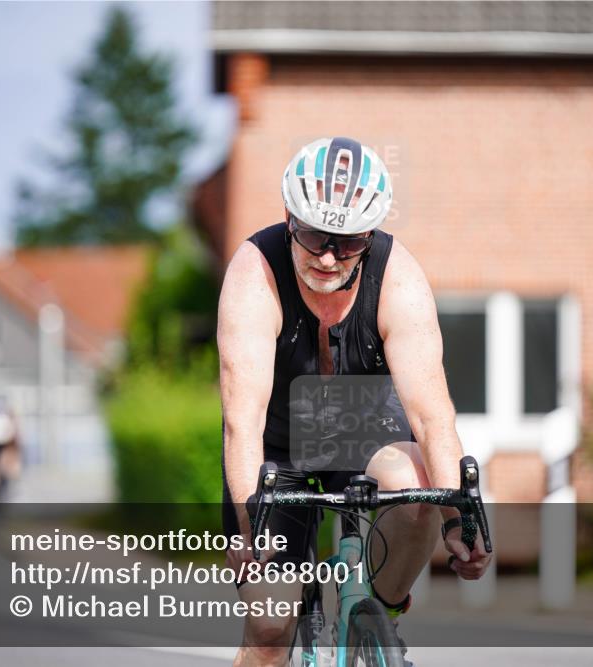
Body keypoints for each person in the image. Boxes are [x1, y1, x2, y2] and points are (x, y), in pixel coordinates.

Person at [218, 137, 492, 666]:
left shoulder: (400, 279)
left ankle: (377, 622)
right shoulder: (254, 274)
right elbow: (242, 423)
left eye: (346, 242)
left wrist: (461, 520)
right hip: (278, 451)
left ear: (369, 235)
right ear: (288, 218)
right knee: (270, 629)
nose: (326, 256)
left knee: (419, 493)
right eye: (314, 235)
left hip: (369, 437)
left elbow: (433, 420)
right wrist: (253, 537)